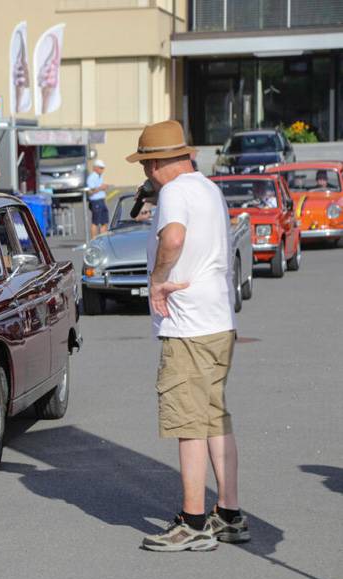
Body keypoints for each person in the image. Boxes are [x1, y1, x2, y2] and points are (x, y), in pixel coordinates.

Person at [126, 119, 247, 552]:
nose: (146, 176)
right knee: (216, 417)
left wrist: (158, 279)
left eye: (146, 166)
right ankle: (228, 513)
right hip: (218, 320)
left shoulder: (175, 192)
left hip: (188, 324)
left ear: (158, 163)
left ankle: (194, 521)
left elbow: (173, 239)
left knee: (188, 422)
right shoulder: (208, 188)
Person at [86, 159, 110, 238]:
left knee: (105, 222)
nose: (102, 170)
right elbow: (90, 191)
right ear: (95, 168)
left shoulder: (100, 176)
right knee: (95, 222)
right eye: (101, 168)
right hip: (95, 201)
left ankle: (103, 239)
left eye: (103, 168)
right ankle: (93, 240)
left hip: (101, 200)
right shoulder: (91, 177)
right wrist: (101, 188)